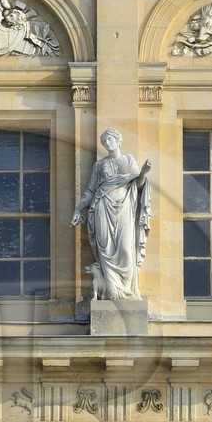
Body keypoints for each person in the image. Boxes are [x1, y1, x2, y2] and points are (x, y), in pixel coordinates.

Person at [72, 128, 152, 300]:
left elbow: (138, 185)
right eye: (104, 141)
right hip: (102, 206)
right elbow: (90, 190)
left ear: (118, 140)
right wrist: (78, 209)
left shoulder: (129, 160)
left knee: (125, 249)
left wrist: (144, 172)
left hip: (124, 207)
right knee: (106, 250)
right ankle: (112, 293)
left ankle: (127, 293)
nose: (107, 143)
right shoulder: (99, 165)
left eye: (109, 139)